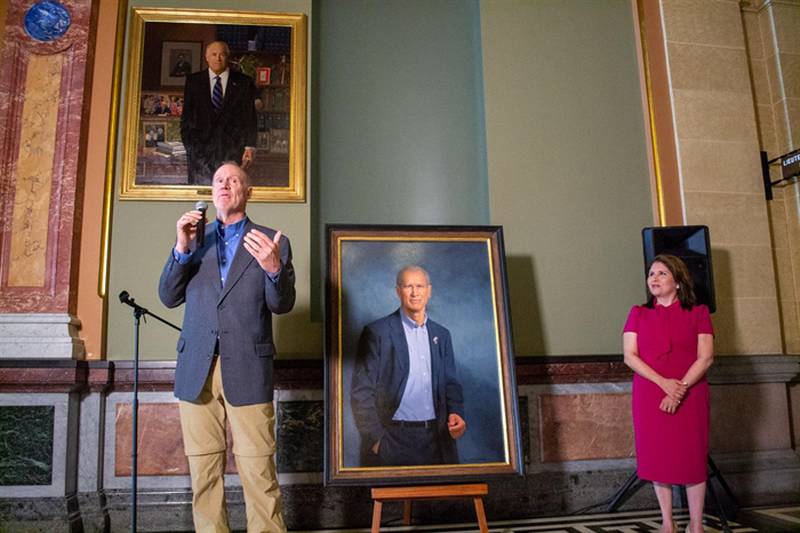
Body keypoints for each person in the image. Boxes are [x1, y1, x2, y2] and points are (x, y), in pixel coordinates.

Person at [158, 162, 294, 532]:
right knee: (204, 473)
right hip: (196, 371)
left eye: (234, 179)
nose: (225, 184)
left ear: (247, 191)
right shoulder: (193, 237)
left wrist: (273, 268)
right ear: (212, 191)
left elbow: (282, 304)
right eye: (219, 179)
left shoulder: (271, 240)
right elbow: (168, 297)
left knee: (258, 470)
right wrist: (181, 248)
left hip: (248, 369)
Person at [622, 254, 714, 533]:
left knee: (692, 458)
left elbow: (706, 358)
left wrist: (679, 390)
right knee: (657, 457)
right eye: (651, 273)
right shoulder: (638, 313)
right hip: (650, 394)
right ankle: (668, 522)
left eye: (662, 273)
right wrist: (664, 384)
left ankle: (696, 525)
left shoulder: (699, 312)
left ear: (678, 280)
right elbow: (630, 356)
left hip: (692, 393)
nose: (654, 278)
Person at [351, 265, 466, 466]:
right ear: (398, 291)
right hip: (393, 439)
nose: (414, 292)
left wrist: (456, 413)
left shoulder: (442, 335)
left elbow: (451, 384)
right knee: (393, 497)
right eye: (408, 286)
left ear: (429, 291)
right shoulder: (377, 333)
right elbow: (361, 392)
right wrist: (377, 440)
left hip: (436, 439)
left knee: (440, 498)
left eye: (420, 286)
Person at [180, 41, 258, 185]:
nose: (218, 58)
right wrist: (191, 147)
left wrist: (250, 146)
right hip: (200, 154)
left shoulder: (244, 82)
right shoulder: (193, 81)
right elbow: (187, 118)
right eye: (214, 54)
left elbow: (250, 117)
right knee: (201, 198)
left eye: (222, 54)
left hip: (233, 151)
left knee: (230, 196)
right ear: (206, 57)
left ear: (228, 57)